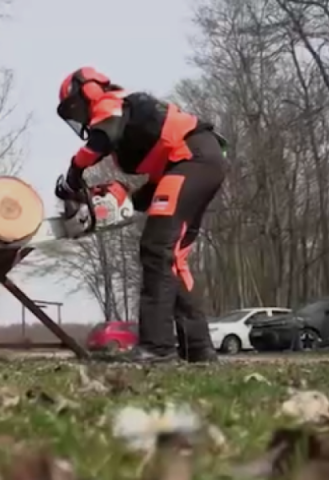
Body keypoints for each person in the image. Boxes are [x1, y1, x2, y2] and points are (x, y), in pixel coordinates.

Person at [53, 66, 227, 364]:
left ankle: (157, 347)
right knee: (173, 258)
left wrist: (75, 170)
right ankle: (198, 348)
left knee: (156, 249)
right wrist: (126, 203)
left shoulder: (112, 103)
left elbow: (101, 138)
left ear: (88, 92)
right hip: (194, 162)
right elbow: (160, 177)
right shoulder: (131, 124)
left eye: (76, 108)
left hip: (191, 159)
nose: (80, 117)